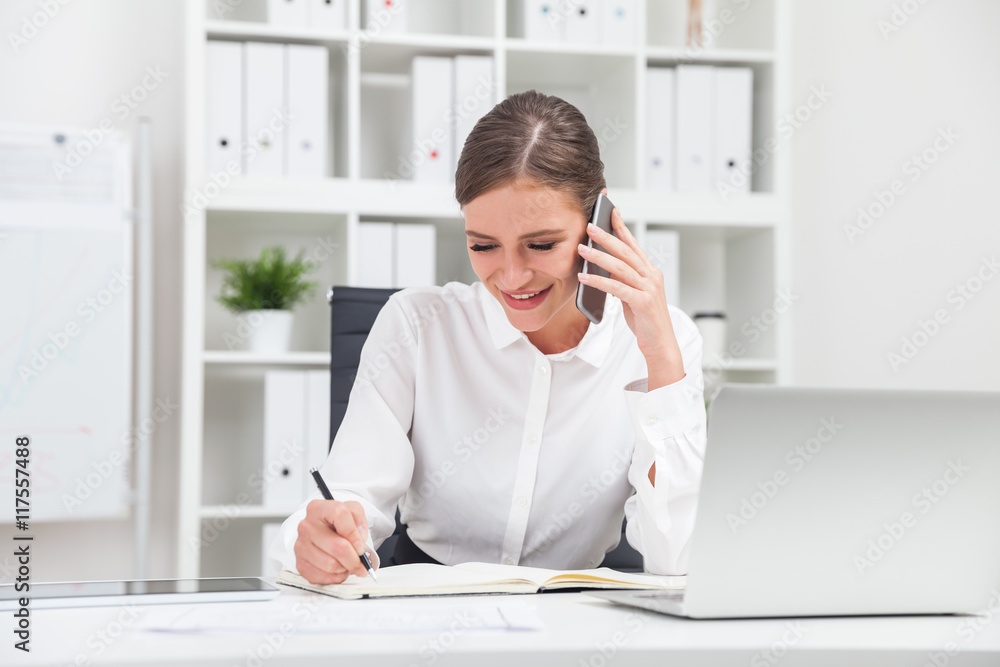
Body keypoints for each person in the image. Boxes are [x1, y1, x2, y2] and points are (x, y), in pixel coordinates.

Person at [269, 90, 707, 584]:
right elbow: (350, 497)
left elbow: (681, 558)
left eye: (541, 244)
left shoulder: (667, 342)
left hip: (574, 611)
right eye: (483, 246)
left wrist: (661, 358)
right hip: (427, 600)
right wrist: (320, 539)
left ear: (598, 222)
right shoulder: (417, 325)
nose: (513, 277)